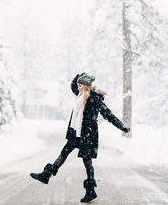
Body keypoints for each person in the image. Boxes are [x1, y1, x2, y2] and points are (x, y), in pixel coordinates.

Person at [30, 72, 130, 203]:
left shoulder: (94, 98)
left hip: (87, 135)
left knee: (87, 162)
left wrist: (122, 126)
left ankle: (91, 191)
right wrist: (79, 74)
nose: (77, 88)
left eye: (79, 85)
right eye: (77, 85)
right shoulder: (79, 95)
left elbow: (108, 114)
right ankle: (46, 175)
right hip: (76, 133)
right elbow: (72, 85)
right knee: (63, 153)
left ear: (85, 86)